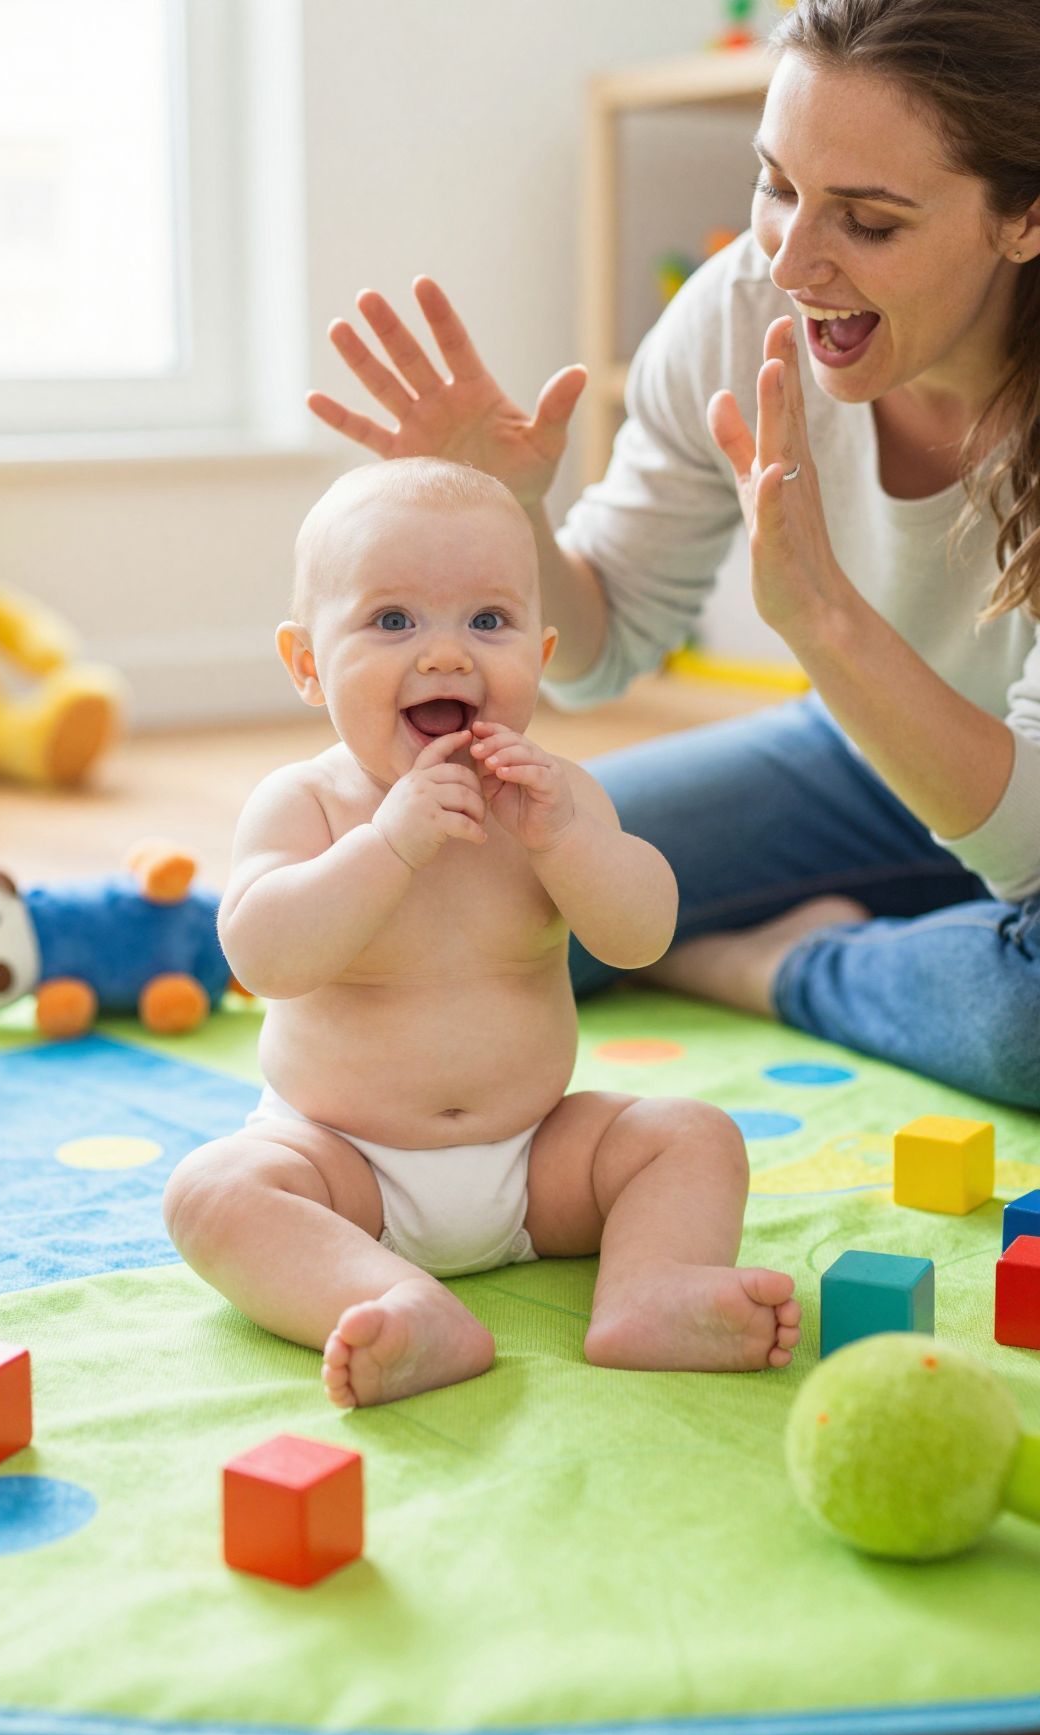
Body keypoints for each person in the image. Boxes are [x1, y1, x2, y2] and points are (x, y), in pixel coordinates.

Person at [306, 0, 1040, 1111]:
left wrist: (820, 618)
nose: (792, 258)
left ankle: (782, 963)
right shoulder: (743, 310)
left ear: (1024, 217)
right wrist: (508, 516)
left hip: (1019, 809)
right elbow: (600, 648)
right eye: (777, 186)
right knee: (478, 873)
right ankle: (139, 926)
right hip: (863, 757)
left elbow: (1027, 843)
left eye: (870, 223)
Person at [163, 460, 802, 1407]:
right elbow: (264, 955)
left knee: (691, 1136)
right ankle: (393, 1300)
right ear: (306, 664)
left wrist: (571, 844)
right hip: (344, 1166)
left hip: (537, 1159)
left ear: (540, 656)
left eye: (488, 621)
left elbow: (641, 936)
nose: (448, 655)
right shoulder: (308, 803)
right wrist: (390, 845)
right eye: (393, 621)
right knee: (211, 1194)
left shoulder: (555, 799)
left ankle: (649, 1292)